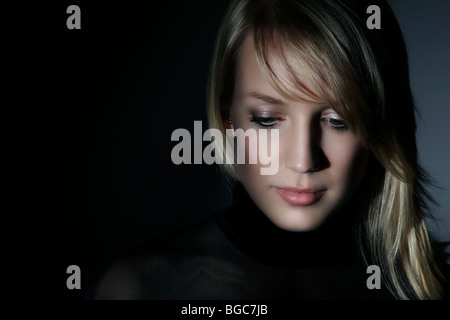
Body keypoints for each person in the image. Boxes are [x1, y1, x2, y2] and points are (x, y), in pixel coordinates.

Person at [87, 0, 449, 300]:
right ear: (227, 115)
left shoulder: (430, 285)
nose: (303, 160)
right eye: (266, 119)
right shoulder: (143, 287)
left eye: (338, 121)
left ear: (378, 127)